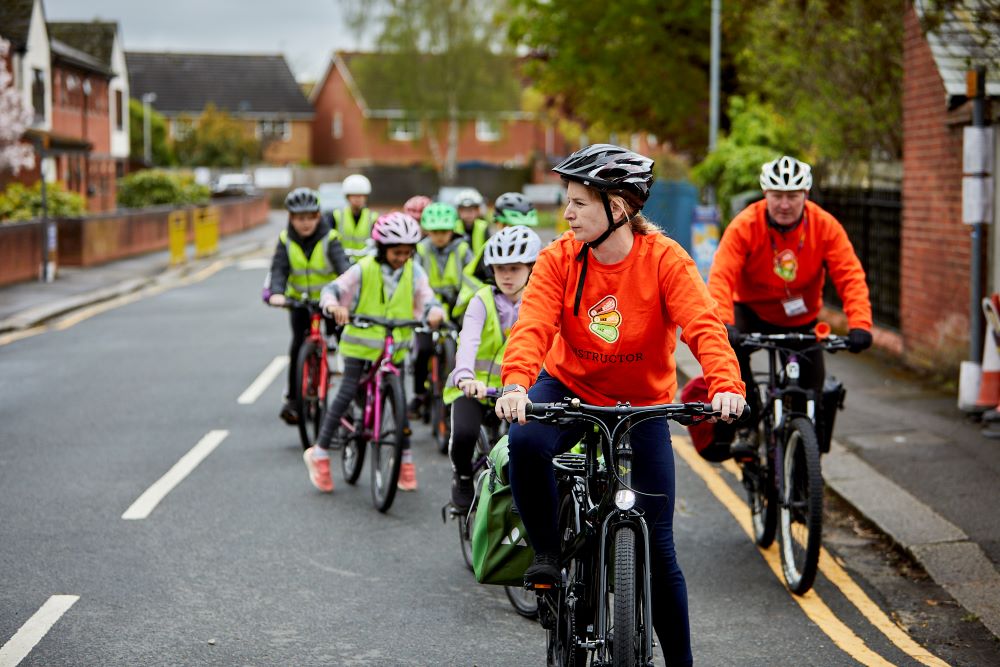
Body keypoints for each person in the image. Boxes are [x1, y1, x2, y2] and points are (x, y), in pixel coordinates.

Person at [494, 144, 746, 667]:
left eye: (580, 203)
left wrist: (725, 384)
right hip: (567, 385)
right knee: (524, 442)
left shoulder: (665, 260)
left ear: (620, 207)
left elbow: (703, 327)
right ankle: (546, 552)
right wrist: (516, 385)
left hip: (643, 403)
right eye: (568, 201)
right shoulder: (559, 257)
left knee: (661, 548)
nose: (568, 214)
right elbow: (533, 325)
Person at [707, 155, 873, 460]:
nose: (785, 204)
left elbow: (850, 275)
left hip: (802, 319)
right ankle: (747, 421)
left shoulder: (824, 226)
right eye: (777, 196)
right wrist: (725, 323)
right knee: (731, 353)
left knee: (816, 396)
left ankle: (804, 460)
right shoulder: (746, 224)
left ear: (805, 195)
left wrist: (860, 324)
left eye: (793, 196)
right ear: (765, 194)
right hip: (751, 312)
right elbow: (721, 275)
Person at [303, 212, 445, 493]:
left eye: (407, 252)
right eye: (396, 252)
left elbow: (428, 299)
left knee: (399, 403)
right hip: (360, 345)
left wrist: (435, 312)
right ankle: (319, 452)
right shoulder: (364, 268)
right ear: (381, 248)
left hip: (395, 348)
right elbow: (331, 290)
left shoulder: (413, 270)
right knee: (346, 392)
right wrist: (334, 306)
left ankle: (404, 461)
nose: (402, 257)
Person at [444, 225, 541, 509]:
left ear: (531, 269)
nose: (507, 276)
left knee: (521, 448)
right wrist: (464, 377)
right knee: (463, 434)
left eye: (514, 268)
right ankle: (462, 476)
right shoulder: (482, 300)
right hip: (476, 389)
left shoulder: (538, 301)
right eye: (500, 269)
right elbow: (468, 341)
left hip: (520, 393)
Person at [264, 187, 350, 424]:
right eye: (299, 218)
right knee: (297, 347)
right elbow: (279, 270)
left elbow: (344, 269)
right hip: (299, 303)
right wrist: (278, 294)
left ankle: (354, 398)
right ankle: (293, 399)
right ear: (291, 218)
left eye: (310, 217)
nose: (305, 223)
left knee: (347, 343)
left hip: (329, 303)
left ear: (318, 216)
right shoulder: (285, 240)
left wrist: (344, 295)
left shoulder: (330, 238)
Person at [410, 202, 473, 416]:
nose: (439, 236)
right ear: (426, 230)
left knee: (461, 348)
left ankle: (455, 387)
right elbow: (413, 281)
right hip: (428, 309)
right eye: (434, 232)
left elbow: (472, 278)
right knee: (423, 349)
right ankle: (419, 394)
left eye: (444, 232)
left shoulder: (463, 249)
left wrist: (462, 304)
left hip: (456, 307)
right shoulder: (420, 249)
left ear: (452, 229)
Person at [452, 192, 539, 321]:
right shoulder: (492, 248)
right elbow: (473, 277)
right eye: (511, 227)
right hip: (481, 307)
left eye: (525, 228)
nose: (517, 235)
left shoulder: (533, 247)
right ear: (499, 224)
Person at [332, 174, 377, 259]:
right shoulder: (336, 215)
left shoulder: (373, 217)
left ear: (366, 197)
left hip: (365, 262)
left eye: (361, 195)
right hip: (342, 260)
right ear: (347, 197)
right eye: (354, 195)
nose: (358, 199)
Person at [453, 189, 490, 256]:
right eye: (464, 210)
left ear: (478, 210)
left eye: (471, 210)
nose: (468, 214)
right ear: (458, 211)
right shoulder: (454, 227)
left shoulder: (483, 227)